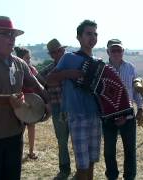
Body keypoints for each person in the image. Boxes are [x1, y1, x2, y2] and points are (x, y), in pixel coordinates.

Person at [0, 16, 49, 180]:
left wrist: (47, 102)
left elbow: (35, 84)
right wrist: (8, 100)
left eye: (13, 35)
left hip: (14, 133)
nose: (12, 39)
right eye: (6, 34)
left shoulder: (19, 63)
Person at [47, 20, 101, 180]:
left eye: (95, 34)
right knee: (82, 165)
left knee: (92, 161)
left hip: (95, 116)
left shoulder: (99, 62)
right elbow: (50, 79)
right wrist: (69, 74)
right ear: (79, 37)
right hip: (76, 116)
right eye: (88, 34)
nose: (93, 37)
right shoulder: (69, 58)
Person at [103, 39, 143, 180]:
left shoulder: (130, 68)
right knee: (109, 151)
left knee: (130, 150)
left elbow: (135, 91)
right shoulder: (102, 69)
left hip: (128, 115)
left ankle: (130, 177)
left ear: (123, 51)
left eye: (118, 50)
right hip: (109, 116)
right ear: (108, 52)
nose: (116, 52)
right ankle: (112, 176)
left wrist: (140, 108)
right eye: (113, 50)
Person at [40, 38, 71, 179]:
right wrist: (46, 99)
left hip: (74, 107)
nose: (59, 53)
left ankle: (81, 169)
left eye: (60, 50)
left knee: (78, 139)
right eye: (55, 52)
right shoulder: (47, 71)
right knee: (62, 140)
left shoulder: (72, 67)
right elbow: (38, 81)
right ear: (52, 55)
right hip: (59, 107)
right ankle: (64, 169)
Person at [14, 46, 41, 160]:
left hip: (32, 102)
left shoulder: (33, 70)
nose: (29, 60)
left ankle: (31, 151)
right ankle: (17, 152)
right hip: (20, 102)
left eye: (29, 58)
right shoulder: (15, 70)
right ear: (20, 58)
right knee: (20, 128)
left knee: (31, 126)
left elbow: (38, 84)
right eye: (26, 58)